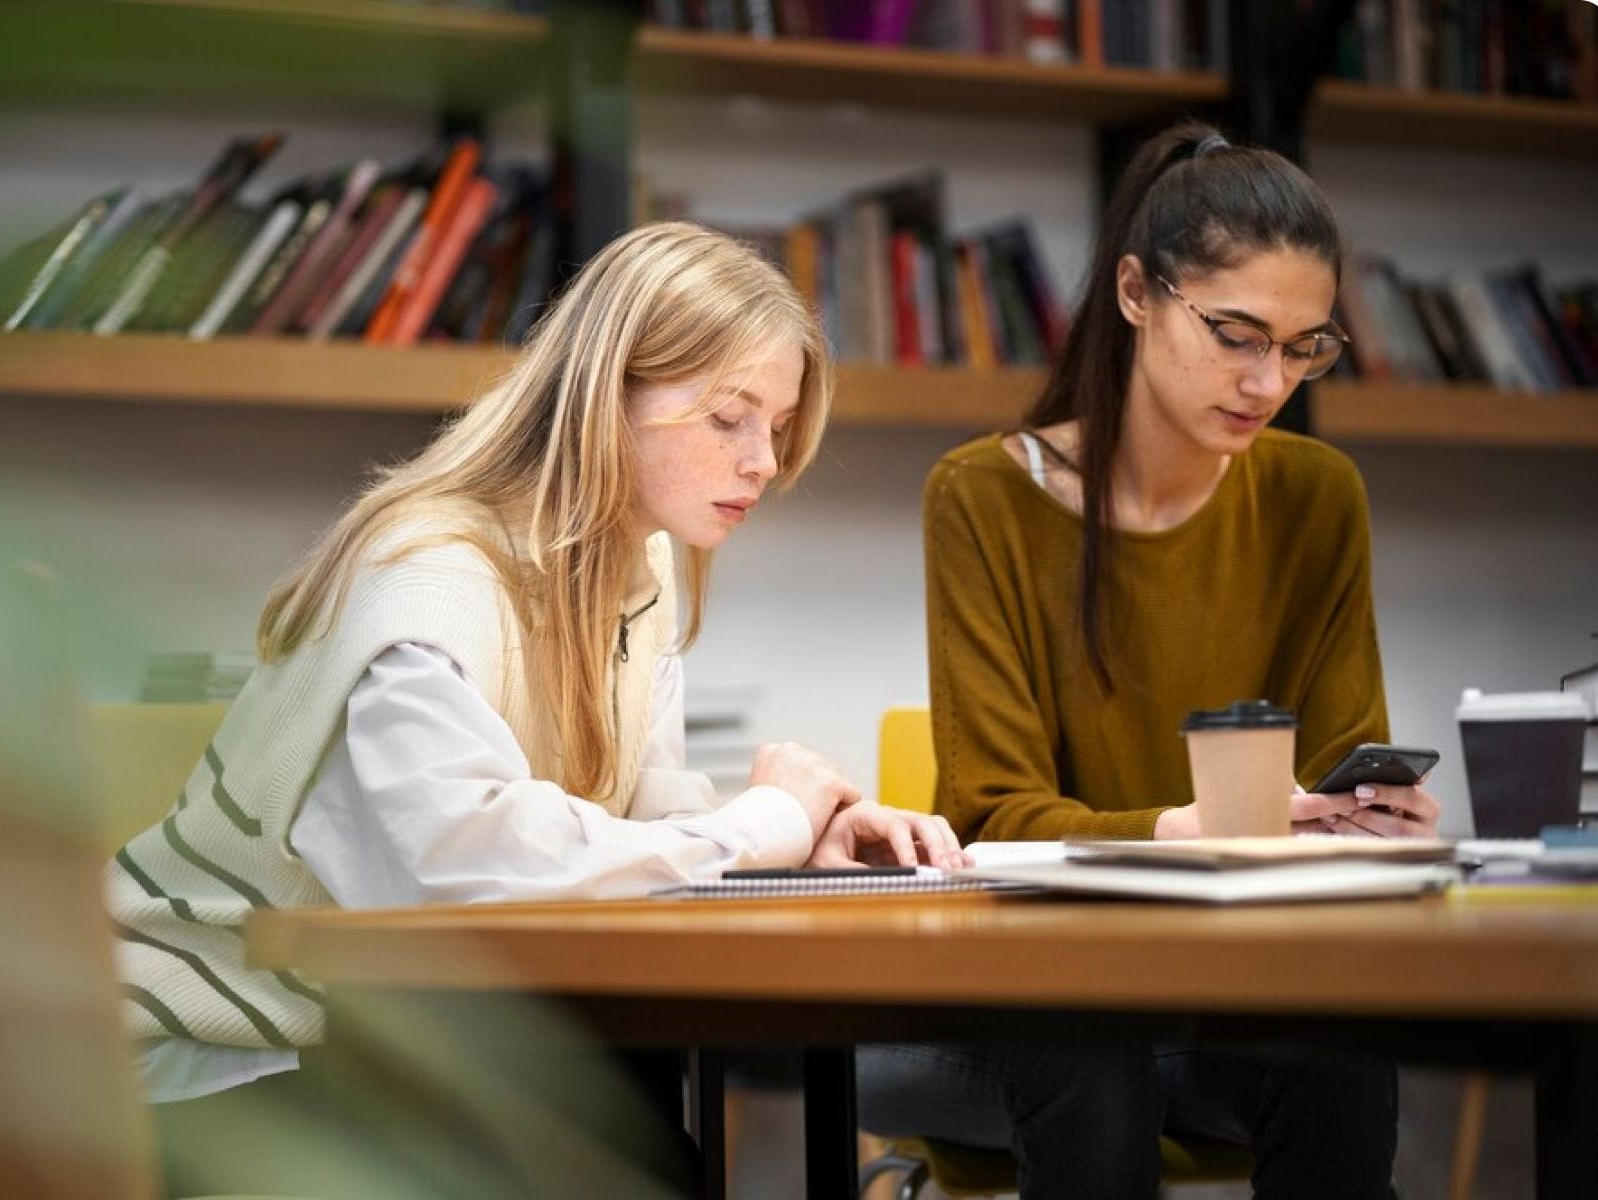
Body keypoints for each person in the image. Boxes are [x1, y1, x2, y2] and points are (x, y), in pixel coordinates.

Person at [105, 221, 966, 1197]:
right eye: (731, 419)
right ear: (609, 397)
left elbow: (636, 831)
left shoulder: (636, 569)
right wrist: (753, 826)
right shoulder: (427, 573)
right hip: (223, 1047)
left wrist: (802, 844)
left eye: (775, 426)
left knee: (643, 1147)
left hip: (391, 1032)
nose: (763, 461)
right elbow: (464, 862)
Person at [857, 123, 1439, 1198]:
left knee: (1338, 1066)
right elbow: (993, 820)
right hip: (1015, 1012)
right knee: (1088, 1055)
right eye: (1235, 333)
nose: (1269, 380)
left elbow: (1342, 766)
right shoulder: (983, 498)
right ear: (1135, 292)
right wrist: (1187, 829)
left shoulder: (1316, 498)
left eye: (1306, 345)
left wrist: (1371, 818)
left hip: (1218, 1008)